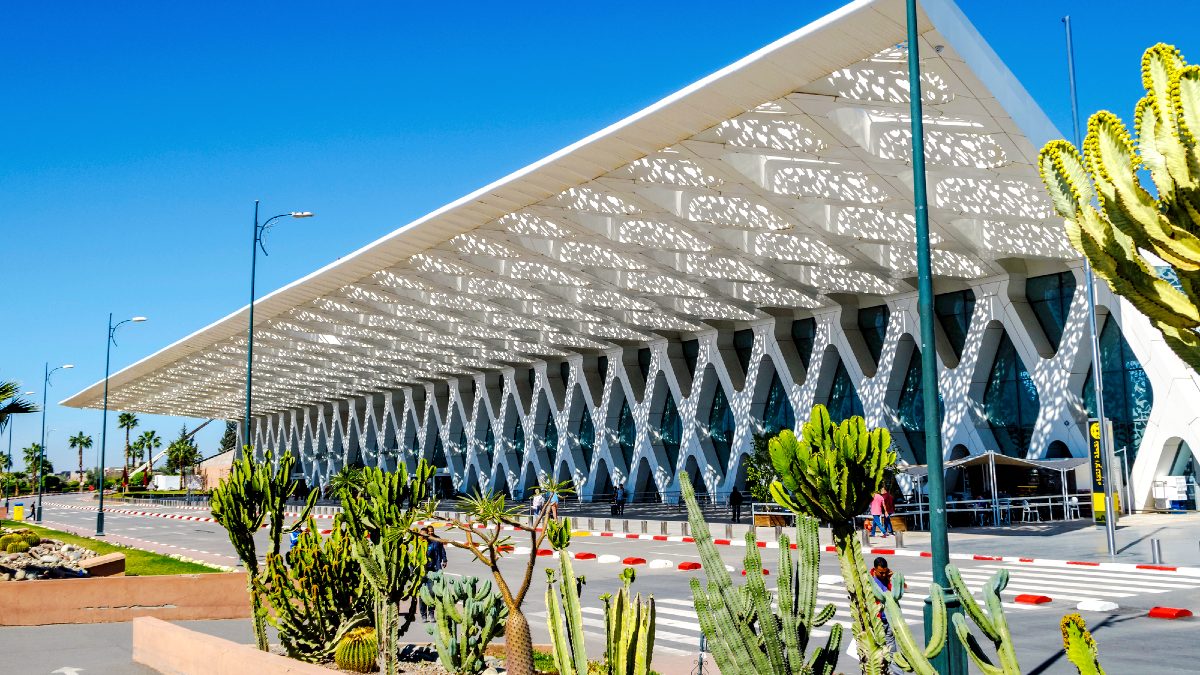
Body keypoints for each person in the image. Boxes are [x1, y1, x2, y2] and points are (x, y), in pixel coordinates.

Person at [871, 556, 899, 673]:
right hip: (877, 622)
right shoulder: (869, 581)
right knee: (877, 653)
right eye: (880, 573)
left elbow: (897, 593)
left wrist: (892, 579)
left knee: (892, 651)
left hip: (888, 620)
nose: (883, 575)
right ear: (875, 570)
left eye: (885, 572)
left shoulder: (887, 578)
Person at [419, 526, 448, 622]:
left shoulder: (435, 540)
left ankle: (431, 613)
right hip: (422, 571)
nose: (430, 533)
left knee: (432, 592)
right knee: (422, 593)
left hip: (433, 570)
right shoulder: (420, 542)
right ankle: (423, 614)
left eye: (432, 531)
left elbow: (441, 550)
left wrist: (444, 560)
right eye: (428, 532)